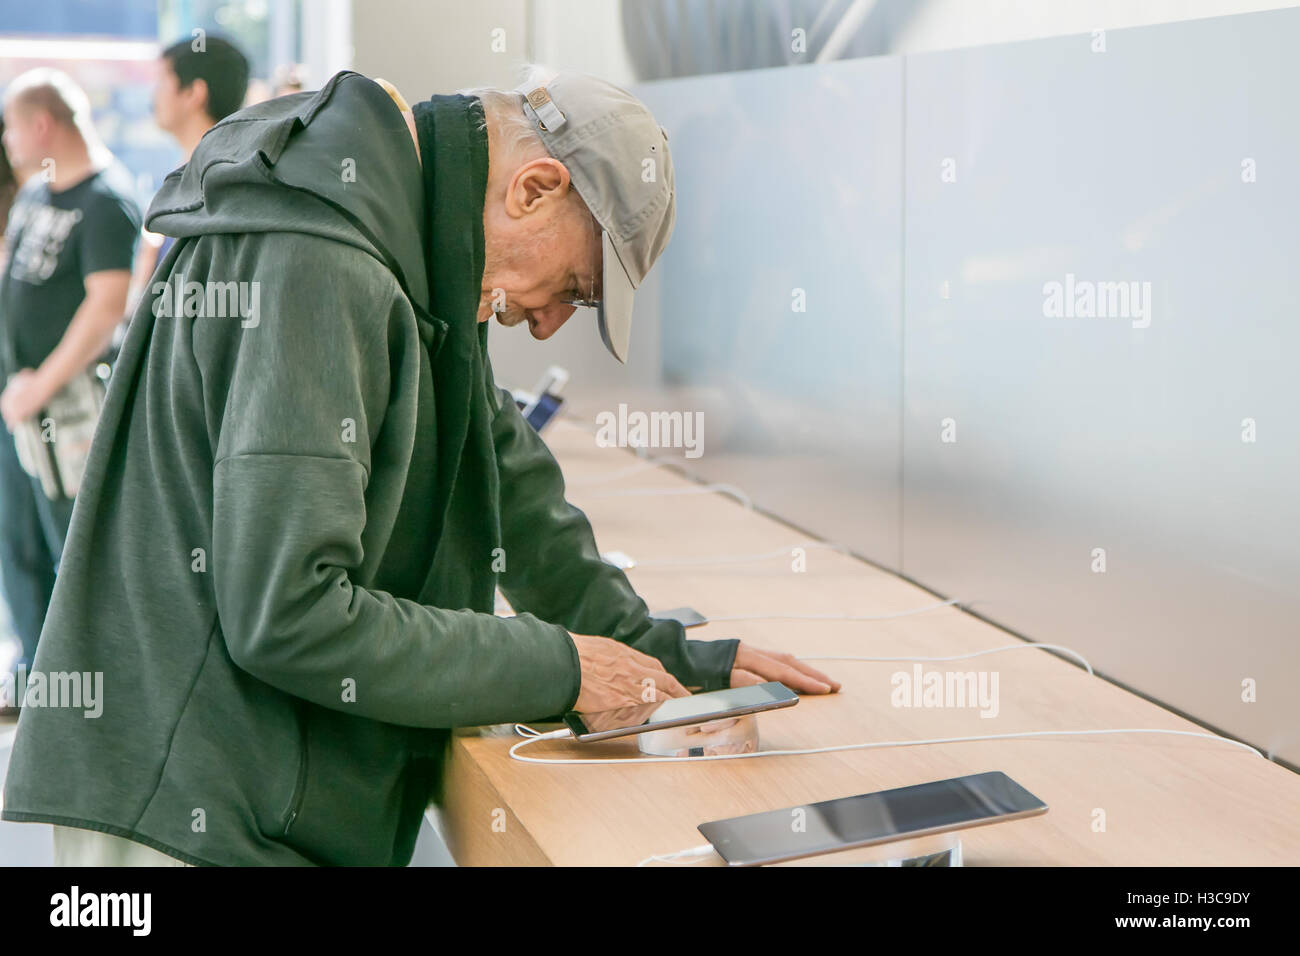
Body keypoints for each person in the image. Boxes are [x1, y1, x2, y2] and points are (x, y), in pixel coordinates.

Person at [1, 67, 839, 866]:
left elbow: (504, 472)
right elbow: (287, 611)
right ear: (534, 188)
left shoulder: (415, 240)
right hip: (193, 814)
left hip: (248, 800)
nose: (549, 328)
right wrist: (564, 668)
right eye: (576, 288)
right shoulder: (321, 260)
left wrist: (661, 654)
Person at [0, 69, 139, 702]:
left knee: (72, 553)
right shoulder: (34, 195)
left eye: (9, 126)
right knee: (18, 546)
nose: (6, 140)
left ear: (41, 125)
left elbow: (106, 307)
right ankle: (36, 678)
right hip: (19, 407)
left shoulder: (105, 200)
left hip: (69, 412)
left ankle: (84, 697)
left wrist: (41, 386)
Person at [125, 35, 250, 318]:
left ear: (194, 93)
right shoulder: (195, 174)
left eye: (162, 82)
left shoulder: (217, 183)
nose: (154, 95)